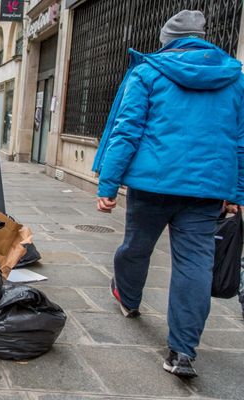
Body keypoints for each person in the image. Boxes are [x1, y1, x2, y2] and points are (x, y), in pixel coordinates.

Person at [92, 10, 244, 378]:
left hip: (153, 185)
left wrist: (108, 185)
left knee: (136, 246)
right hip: (208, 189)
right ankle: (182, 353)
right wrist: (237, 191)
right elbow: (239, 140)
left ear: (166, 40)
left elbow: (127, 132)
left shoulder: (148, 72)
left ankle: (128, 298)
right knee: (195, 266)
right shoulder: (233, 78)